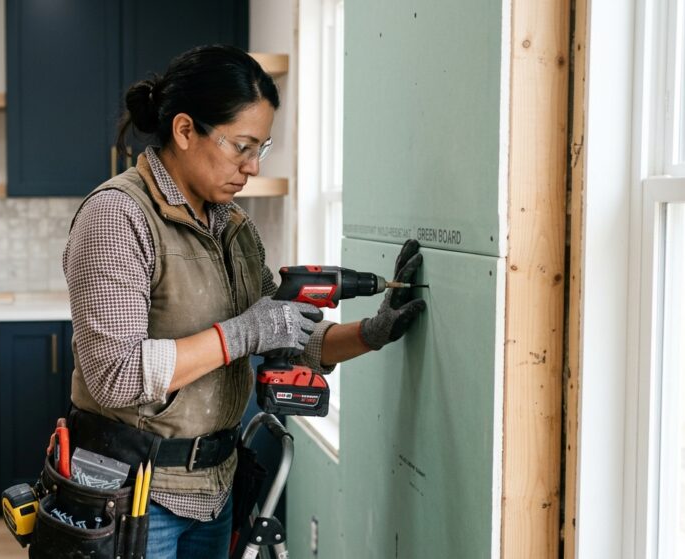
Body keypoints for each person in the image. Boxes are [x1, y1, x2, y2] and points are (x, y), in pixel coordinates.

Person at [62, 44, 425, 559]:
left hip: (215, 489)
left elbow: (283, 331)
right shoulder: (118, 218)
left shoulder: (232, 226)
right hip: (133, 494)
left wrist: (369, 333)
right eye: (242, 146)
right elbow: (115, 375)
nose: (253, 166)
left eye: (263, 149)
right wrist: (242, 334)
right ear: (185, 131)